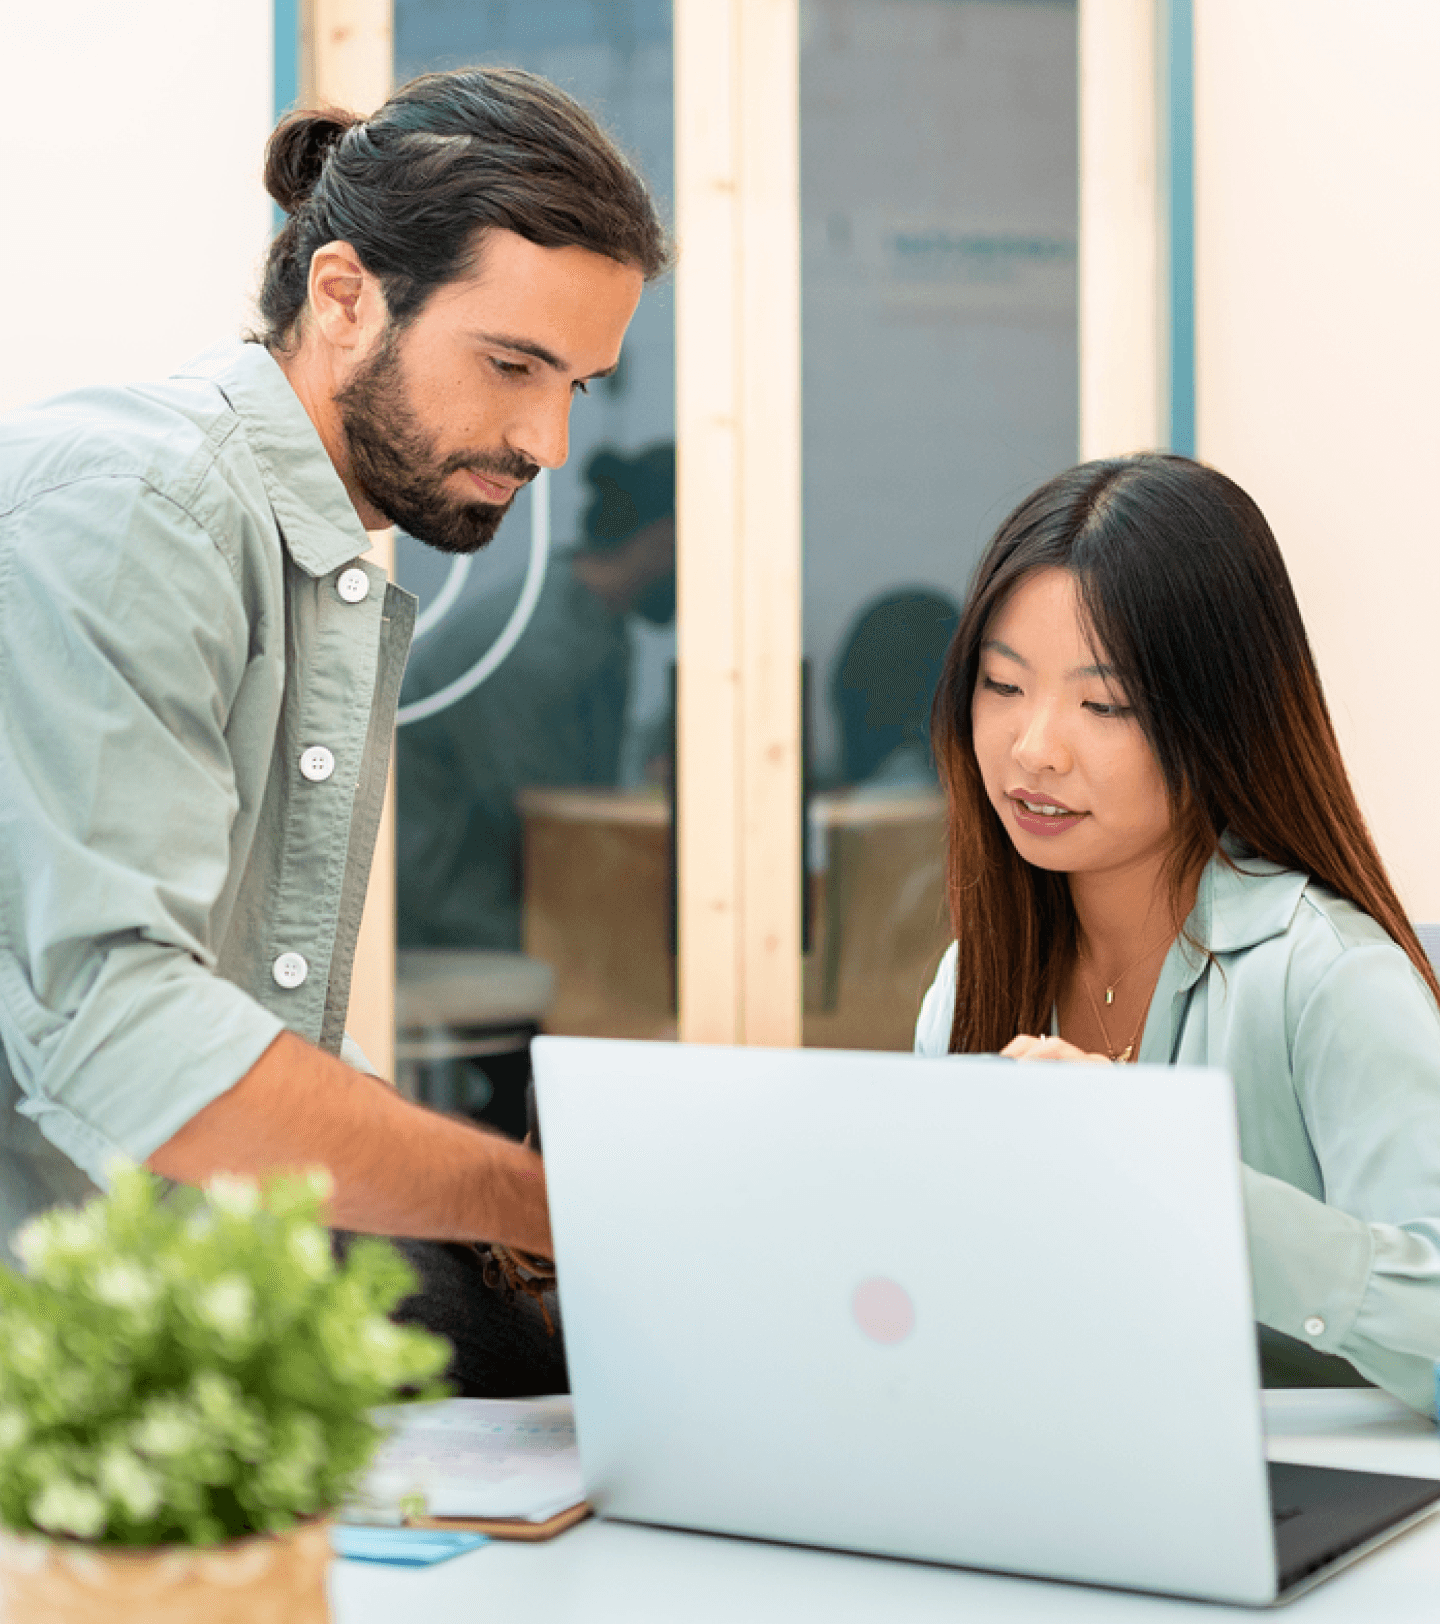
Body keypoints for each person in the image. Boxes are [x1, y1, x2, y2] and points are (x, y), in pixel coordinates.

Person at [0, 66, 669, 1391]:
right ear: (346, 296)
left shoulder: (305, 549)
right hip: (67, 1351)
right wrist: (535, 1204)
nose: (547, 440)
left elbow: (257, 1015)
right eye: (513, 365)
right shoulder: (143, 509)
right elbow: (122, 1031)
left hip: (187, 1297)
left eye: (581, 385)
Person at [914, 453, 1440, 1412]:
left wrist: (1179, 1179)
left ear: (1219, 716)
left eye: (1105, 704)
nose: (1035, 749)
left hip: (1319, 1516)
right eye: (1002, 685)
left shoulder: (1331, 980)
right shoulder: (973, 978)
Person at [397, 441, 676, 953]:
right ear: (664, 539)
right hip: (451, 918)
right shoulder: (539, 643)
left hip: (507, 898)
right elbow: (553, 824)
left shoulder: (600, 628)